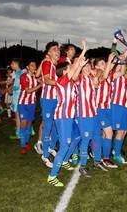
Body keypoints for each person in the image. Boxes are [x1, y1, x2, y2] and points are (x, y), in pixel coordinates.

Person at [47, 41, 87, 187]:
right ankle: (52, 176)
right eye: (69, 68)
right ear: (64, 72)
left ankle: (64, 160)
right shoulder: (62, 81)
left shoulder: (68, 81)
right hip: (63, 116)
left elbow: (75, 72)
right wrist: (83, 51)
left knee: (77, 136)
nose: (72, 68)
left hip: (69, 116)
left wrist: (81, 65)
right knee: (64, 145)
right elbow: (73, 70)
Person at [93, 55, 118, 168]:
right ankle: (106, 158)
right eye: (102, 63)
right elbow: (102, 76)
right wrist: (109, 61)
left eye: (105, 63)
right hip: (100, 109)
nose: (105, 65)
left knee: (103, 134)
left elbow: (112, 67)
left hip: (107, 108)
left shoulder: (107, 74)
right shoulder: (98, 72)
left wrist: (122, 56)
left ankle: (100, 156)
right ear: (97, 66)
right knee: (109, 133)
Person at [40, 42, 60, 168]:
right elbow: (46, 80)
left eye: (58, 49)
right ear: (48, 53)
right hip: (48, 100)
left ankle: (51, 147)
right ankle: (45, 155)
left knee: (55, 126)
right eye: (54, 49)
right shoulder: (47, 63)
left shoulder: (53, 64)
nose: (57, 51)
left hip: (54, 99)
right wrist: (60, 84)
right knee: (48, 128)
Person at [18, 60, 41, 154]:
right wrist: (40, 85)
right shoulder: (23, 76)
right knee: (23, 123)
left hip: (32, 104)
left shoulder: (36, 77)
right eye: (32, 65)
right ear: (27, 67)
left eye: (35, 65)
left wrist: (41, 81)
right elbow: (28, 91)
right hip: (23, 103)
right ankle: (23, 145)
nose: (34, 67)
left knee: (29, 124)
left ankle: (26, 142)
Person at [10, 58, 24, 139]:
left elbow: (17, 86)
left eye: (12, 64)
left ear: (16, 64)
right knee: (22, 115)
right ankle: (28, 129)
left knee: (17, 115)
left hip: (17, 96)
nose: (11, 65)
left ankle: (18, 133)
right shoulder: (21, 72)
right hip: (21, 96)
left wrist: (10, 90)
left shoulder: (18, 73)